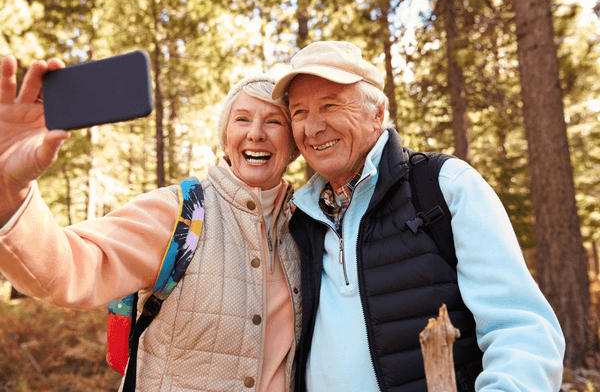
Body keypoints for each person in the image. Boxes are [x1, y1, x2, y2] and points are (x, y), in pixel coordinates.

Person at [271, 41, 565, 392]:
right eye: (299, 113)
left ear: (377, 113)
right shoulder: (300, 219)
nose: (313, 127)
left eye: (329, 105)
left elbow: (521, 328)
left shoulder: (444, 186)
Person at [0, 54, 302, 392]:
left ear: (295, 146)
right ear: (225, 141)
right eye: (242, 119)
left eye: (274, 122)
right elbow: (72, 267)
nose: (256, 133)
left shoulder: (308, 230)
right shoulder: (182, 211)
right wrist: (10, 194)